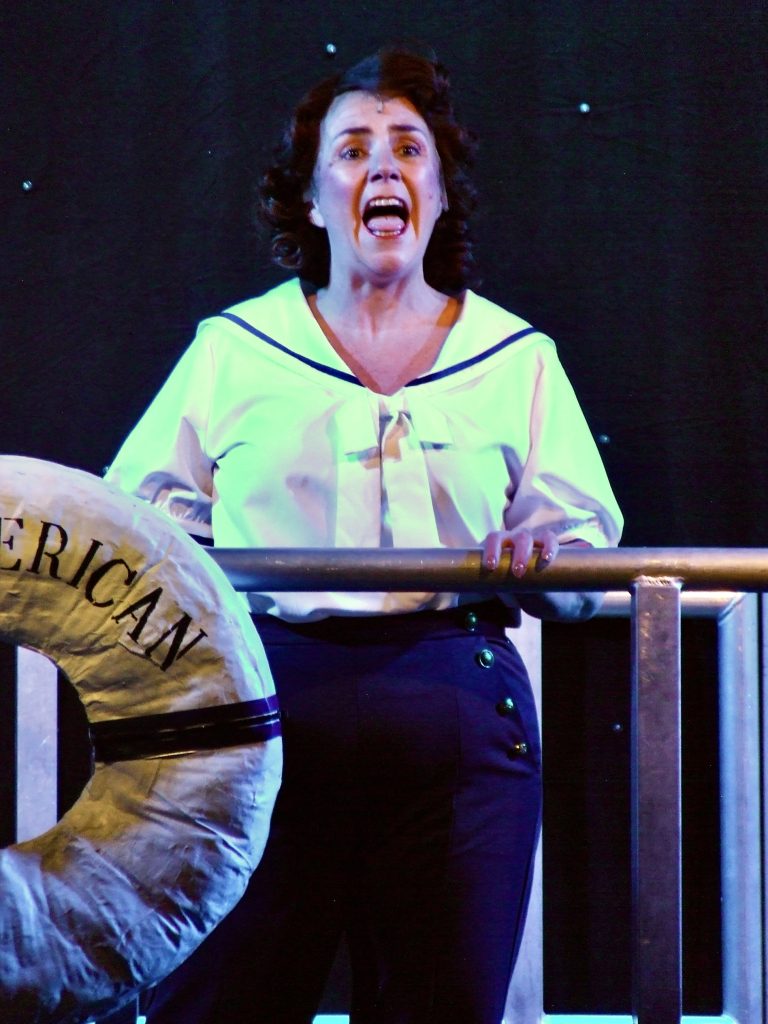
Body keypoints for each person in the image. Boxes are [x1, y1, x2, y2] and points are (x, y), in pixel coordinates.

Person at [106, 47, 622, 1024]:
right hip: (262, 709)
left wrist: (548, 553)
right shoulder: (234, 349)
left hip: (455, 708)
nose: (383, 165)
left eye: (408, 148)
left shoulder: (515, 357)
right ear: (311, 199)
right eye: (351, 150)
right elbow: (141, 520)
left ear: (438, 192)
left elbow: (581, 549)